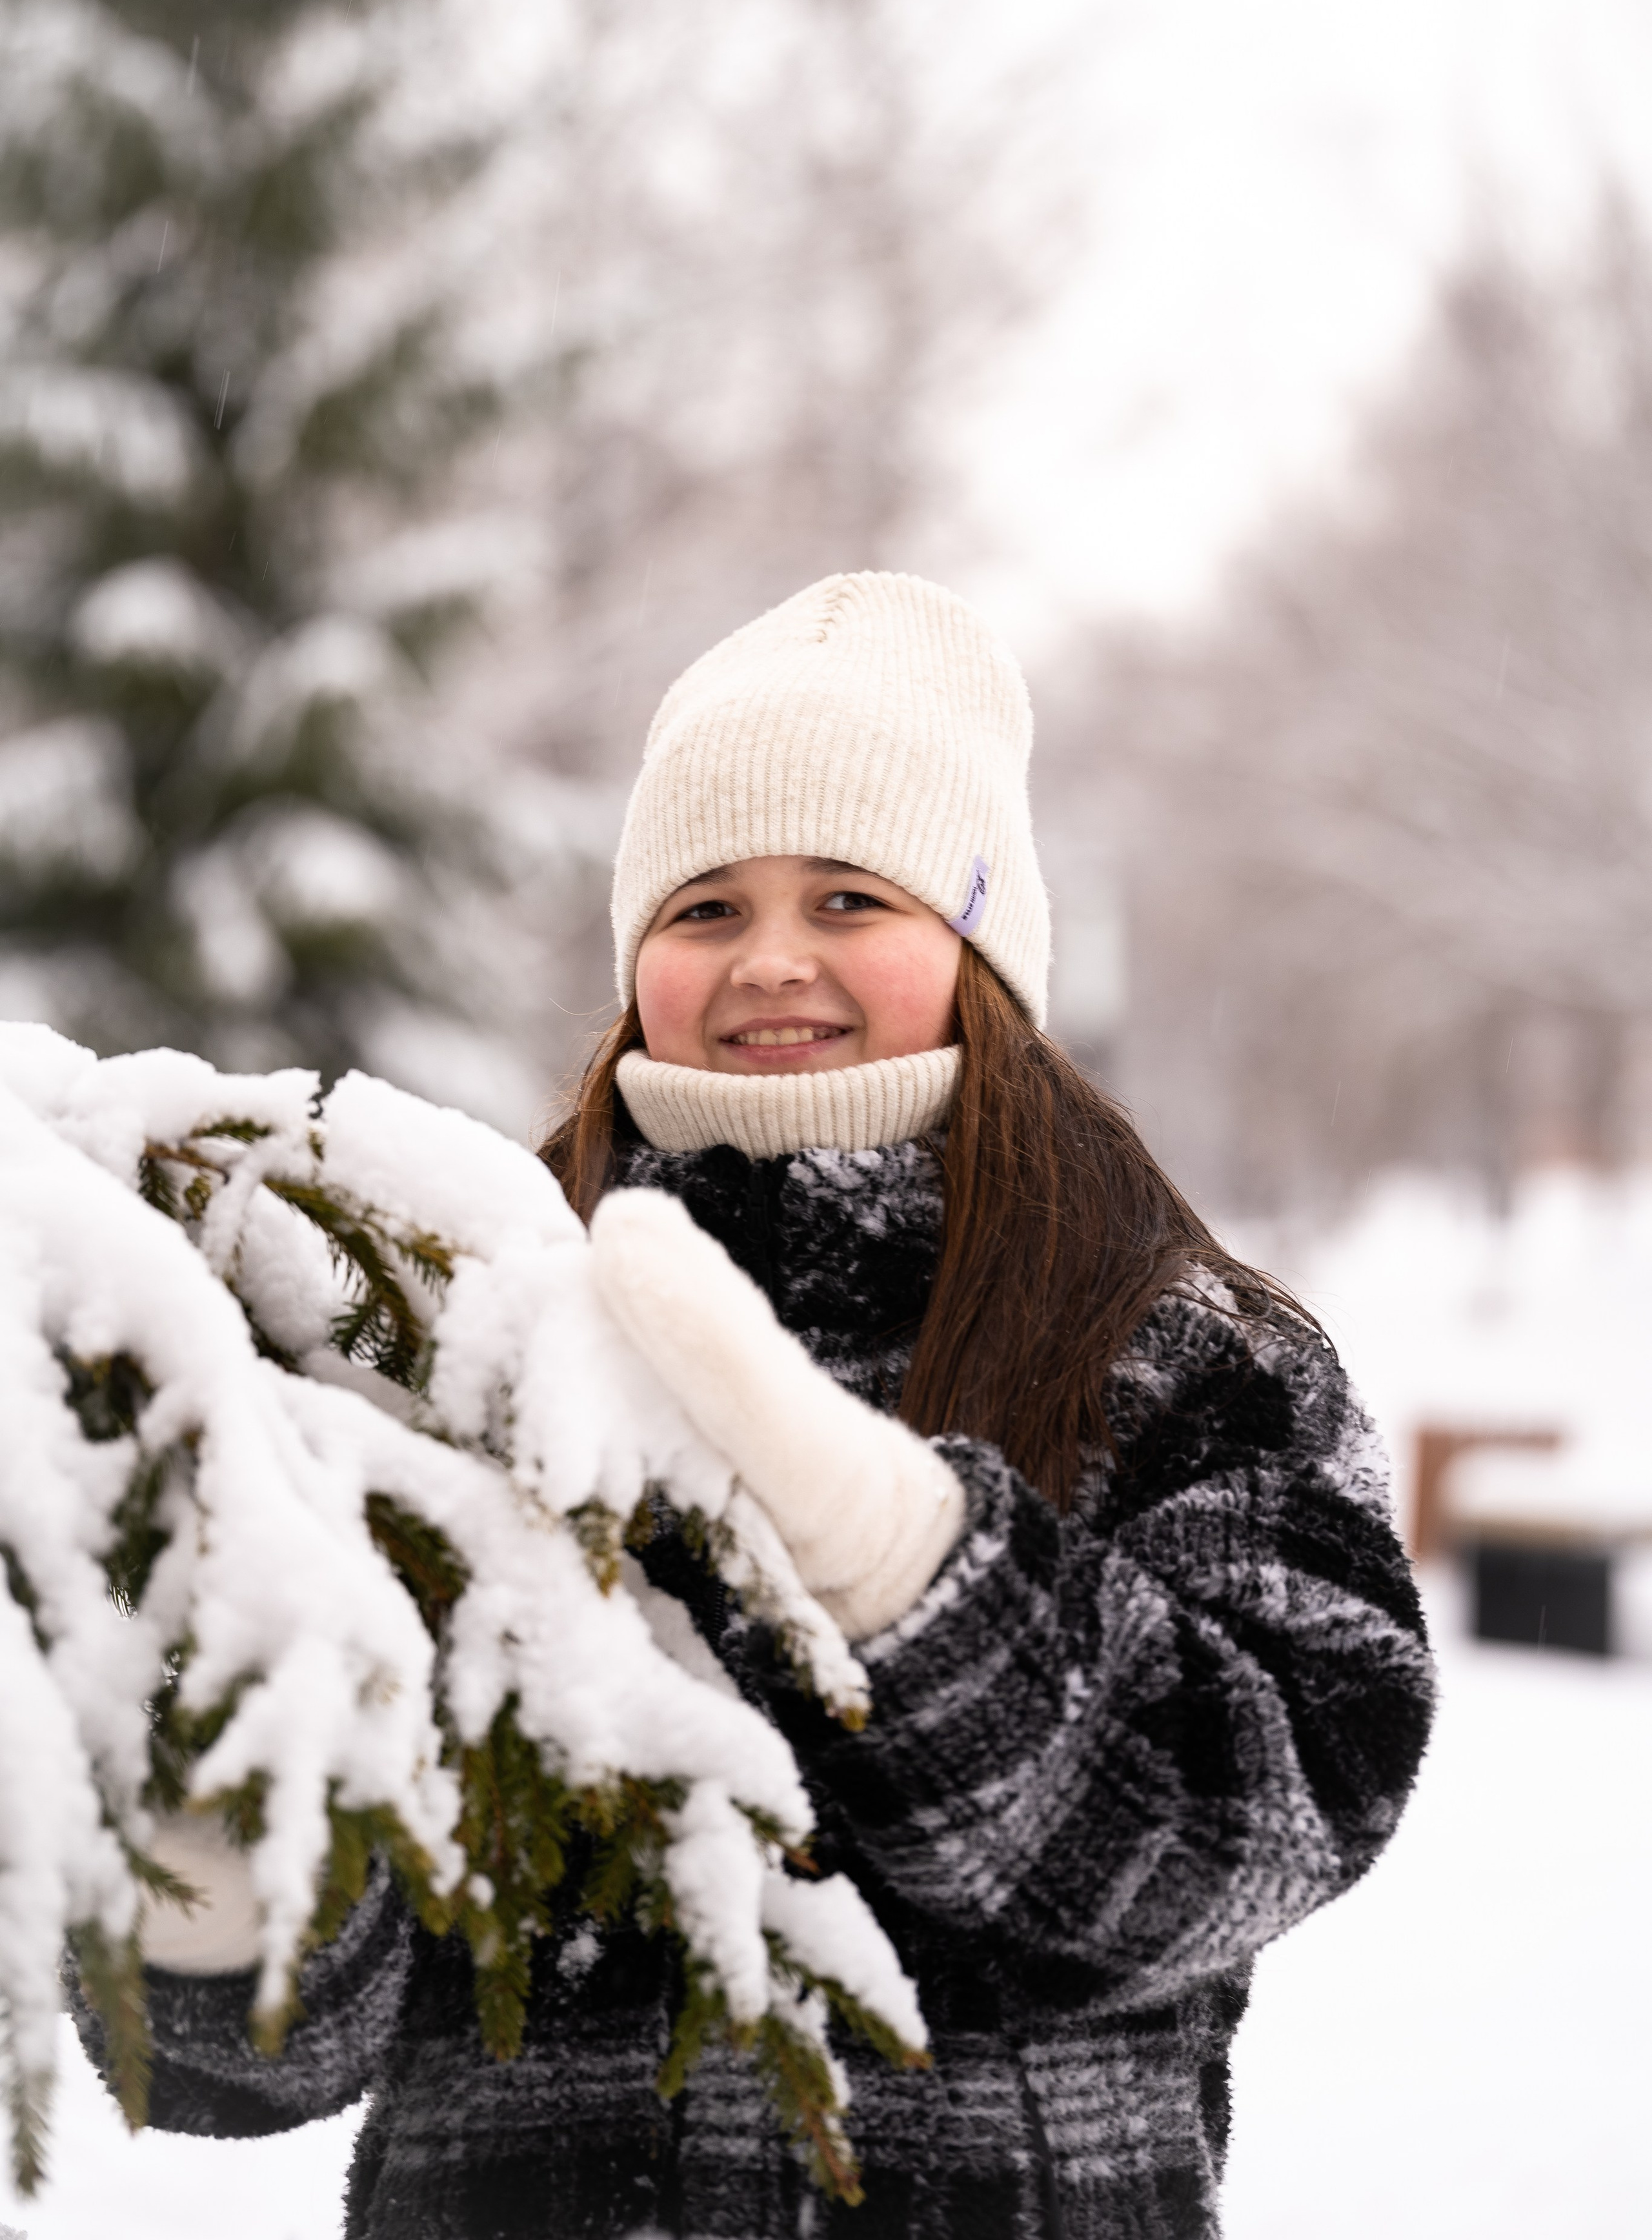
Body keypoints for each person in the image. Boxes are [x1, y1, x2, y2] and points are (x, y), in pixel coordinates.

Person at [74, 571, 1435, 2239]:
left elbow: (1275, 1816)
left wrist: (908, 1561)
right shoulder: (459, 1317)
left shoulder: (1175, 1349)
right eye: (705, 910)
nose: (772, 960)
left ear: (982, 942)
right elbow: (262, 2062)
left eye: (852, 898)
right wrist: (216, 1859)